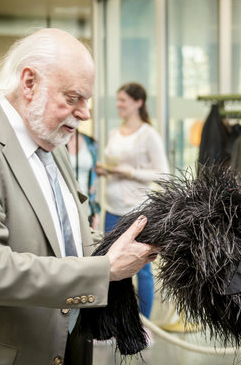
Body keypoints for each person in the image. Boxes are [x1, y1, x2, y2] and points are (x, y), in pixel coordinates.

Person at [0, 28, 159, 364]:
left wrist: (124, 245)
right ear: (28, 83)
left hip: (65, 345)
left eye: (87, 100)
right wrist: (105, 269)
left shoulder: (50, 141)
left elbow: (67, 236)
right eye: (73, 98)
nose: (85, 113)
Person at [96, 82, 169, 340]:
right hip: (111, 209)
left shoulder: (148, 134)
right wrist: (105, 170)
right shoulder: (115, 132)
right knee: (110, 267)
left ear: (138, 103)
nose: (118, 105)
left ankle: (143, 327)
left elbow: (163, 174)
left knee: (142, 270)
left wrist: (130, 172)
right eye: (117, 100)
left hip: (136, 213)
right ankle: (113, 324)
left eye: (123, 100)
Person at [67, 130, 101, 230]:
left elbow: (93, 179)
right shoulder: (55, 141)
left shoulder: (90, 142)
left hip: (87, 210)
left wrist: (95, 211)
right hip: (65, 210)